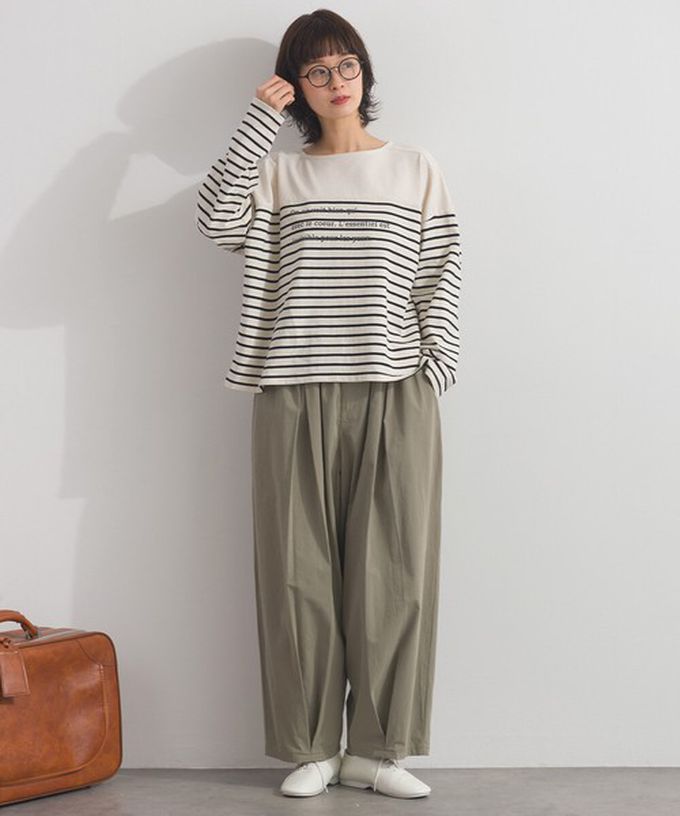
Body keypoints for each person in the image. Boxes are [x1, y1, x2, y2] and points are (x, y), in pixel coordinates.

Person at [194, 8, 462, 800]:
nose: (336, 81)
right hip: (292, 389)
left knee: (396, 575)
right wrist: (258, 122)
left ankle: (379, 750)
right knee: (296, 574)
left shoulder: (413, 167)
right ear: (296, 85)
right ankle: (311, 747)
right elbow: (214, 221)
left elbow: (440, 271)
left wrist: (436, 368)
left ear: (364, 73)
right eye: (316, 71)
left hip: (395, 389)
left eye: (346, 65)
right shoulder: (280, 174)